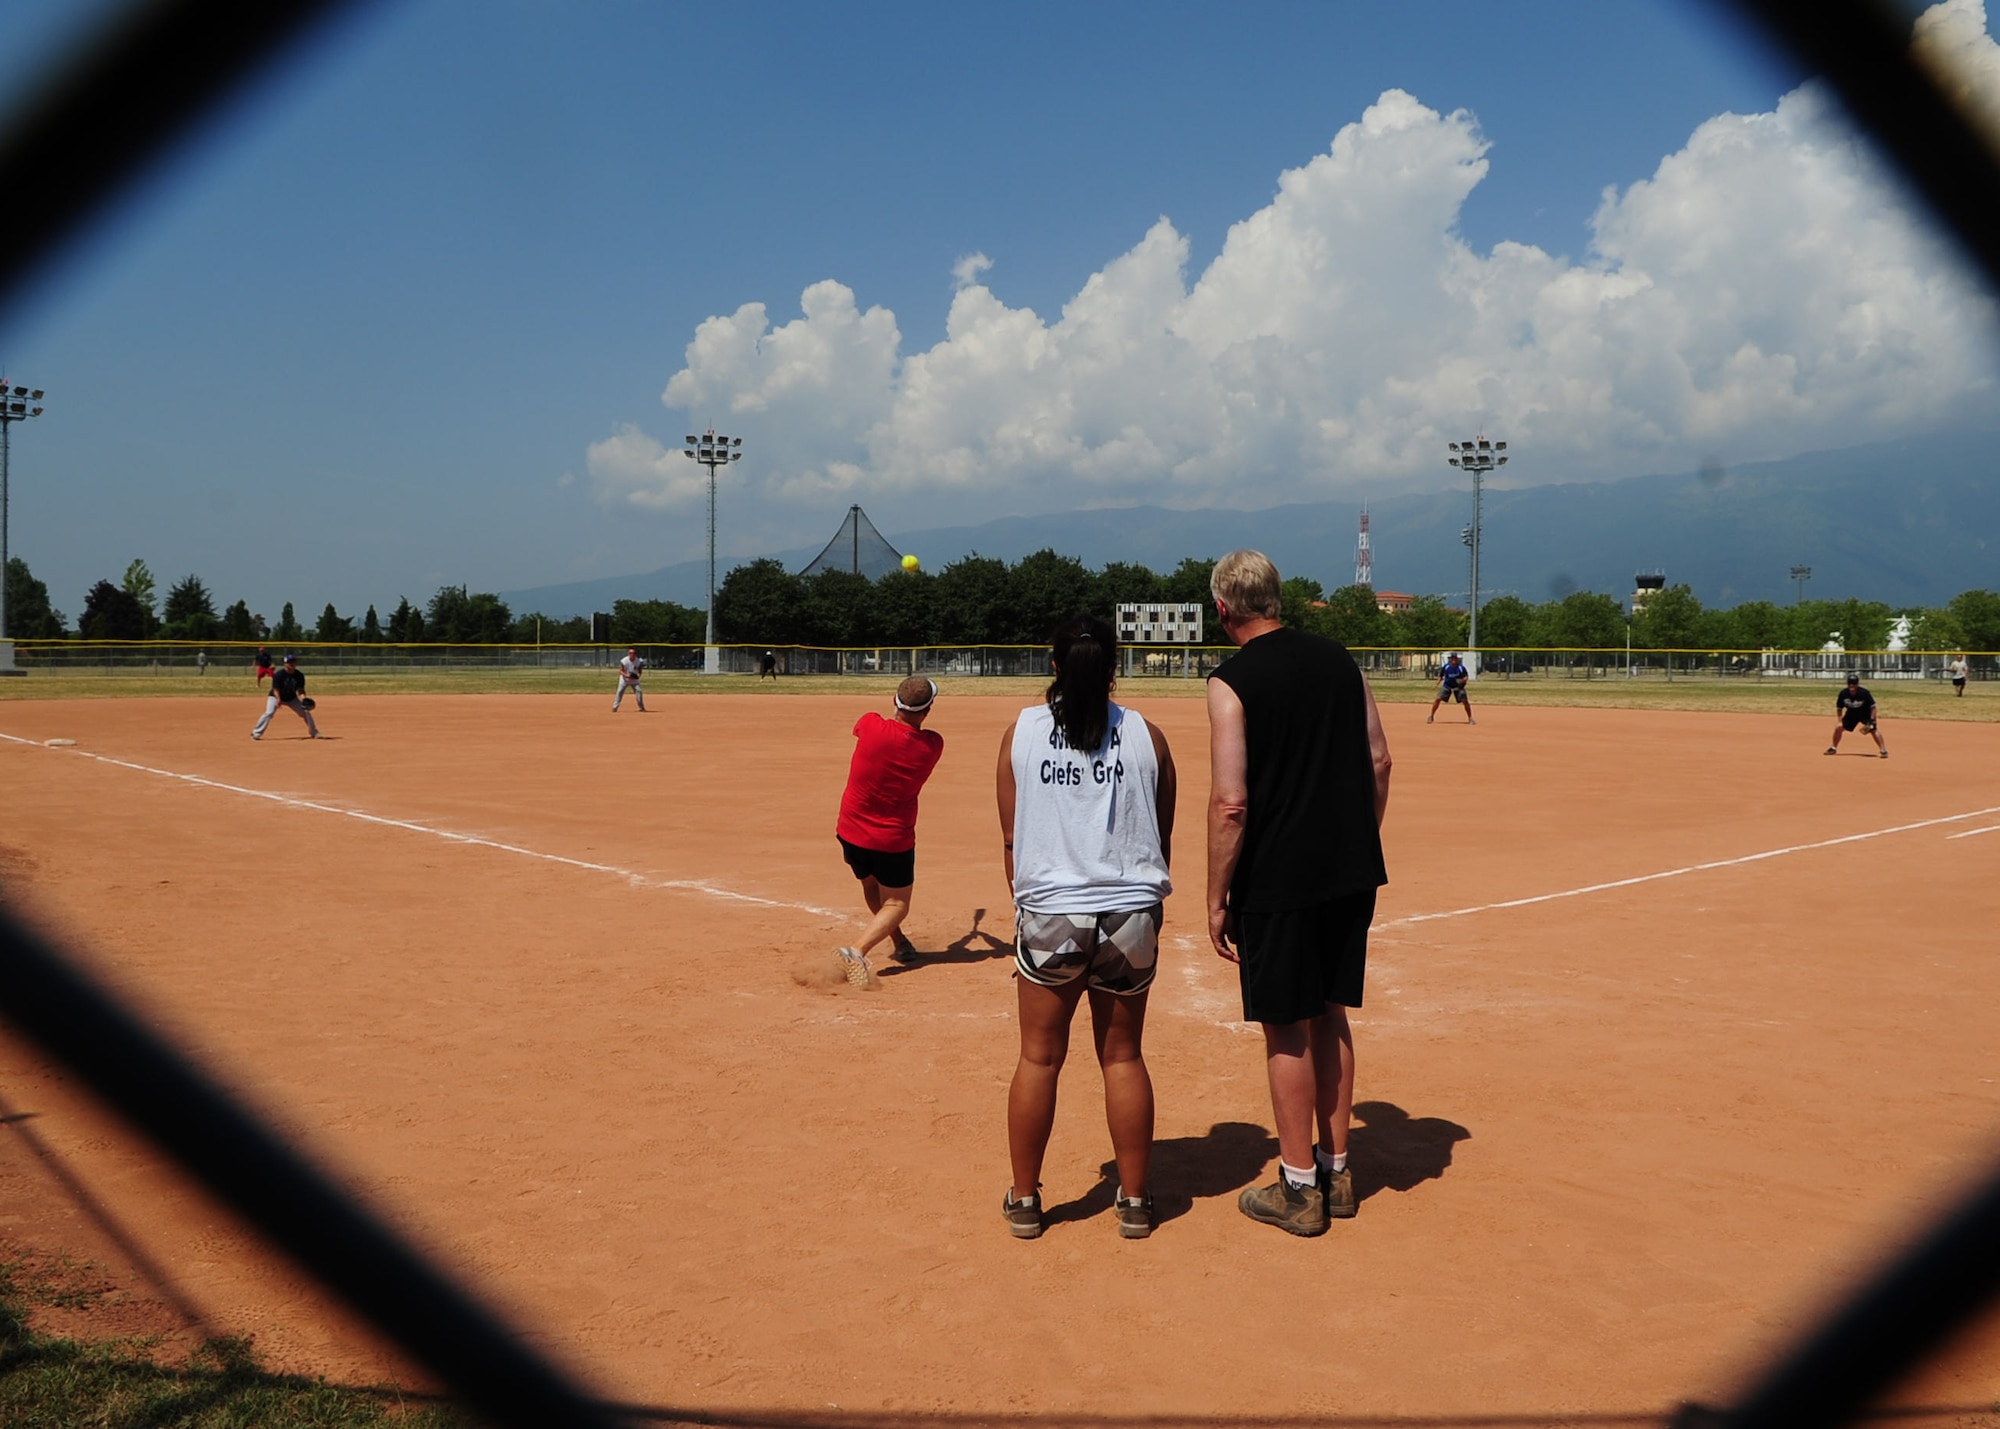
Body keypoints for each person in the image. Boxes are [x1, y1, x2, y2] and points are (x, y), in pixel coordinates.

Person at [1206, 550, 1391, 1237]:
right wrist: (1353, 838)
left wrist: (1216, 896)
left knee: (1287, 1023)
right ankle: (1338, 1170)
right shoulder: (1342, 659)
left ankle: (1298, 1187)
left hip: (1277, 877)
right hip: (1349, 870)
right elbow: (1380, 759)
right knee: (1333, 1014)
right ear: (1278, 598)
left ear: (1224, 609)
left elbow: (1231, 802)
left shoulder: (1230, 682)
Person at [996, 616, 1177, 1241]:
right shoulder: (1147, 737)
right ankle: (1133, 1201)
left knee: (1039, 1058)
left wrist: (1032, 900)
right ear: (1113, 669)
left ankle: (1024, 1201)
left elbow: (1013, 839)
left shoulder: (1021, 733)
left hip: (1052, 910)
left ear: (1053, 667)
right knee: (1122, 1056)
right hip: (1130, 913)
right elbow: (1162, 835)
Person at [834, 676, 944, 983]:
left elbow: (867, 729)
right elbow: (910, 733)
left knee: (871, 887)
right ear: (927, 711)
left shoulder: (870, 724)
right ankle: (856, 950)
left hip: (851, 828)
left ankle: (899, 942)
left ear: (894, 701)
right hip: (892, 839)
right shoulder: (933, 744)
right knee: (896, 903)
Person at [252, 654, 321, 740]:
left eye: (293, 662)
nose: (292, 664)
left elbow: (300, 690)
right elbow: (275, 689)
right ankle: (256, 733)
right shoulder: (279, 675)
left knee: (306, 712)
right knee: (269, 713)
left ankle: (314, 732)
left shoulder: (299, 675)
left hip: (291, 698)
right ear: (285, 664)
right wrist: (278, 700)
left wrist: (304, 699)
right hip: (275, 696)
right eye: (289, 662)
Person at [1827, 673, 1888, 758]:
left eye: (1854, 683)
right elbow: (1839, 708)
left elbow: (1873, 707)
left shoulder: (1864, 693)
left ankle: (1883, 750)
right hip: (1851, 714)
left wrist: (1872, 720)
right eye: (1850, 683)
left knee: (1873, 729)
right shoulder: (1843, 694)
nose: (1852, 685)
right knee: (1838, 728)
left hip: (1865, 714)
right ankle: (1833, 748)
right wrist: (1840, 722)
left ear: (1857, 684)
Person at [1427, 652, 1474, 724]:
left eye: (1455, 658)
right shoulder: (1446, 667)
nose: (1454, 659)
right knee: (1438, 699)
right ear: (1450, 659)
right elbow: (1441, 675)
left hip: (1458, 687)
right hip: (1447, 686)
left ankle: (1470, 718)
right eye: (1452, 658)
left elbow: (1466, 676)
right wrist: (1437, 683)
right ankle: (1431, 716)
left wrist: (1464, 680)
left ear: (1457, 659)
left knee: (1465, 701)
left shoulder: (1461, 667)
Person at [613, 647, 646, 712]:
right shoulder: (624, 661)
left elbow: (640, 671)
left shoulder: (638, 661)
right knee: (619, 692)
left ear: (635, 654)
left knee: (639, 691)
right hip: (624, 680)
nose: (632, 654)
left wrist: (638, 676)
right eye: (630, 653)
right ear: (628, 654)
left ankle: (641, 708)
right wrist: (626, 676)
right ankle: (615, 707)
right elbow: (620, 671)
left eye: (633, 653)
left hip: (634, 680)